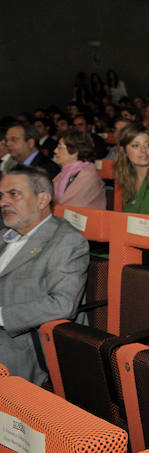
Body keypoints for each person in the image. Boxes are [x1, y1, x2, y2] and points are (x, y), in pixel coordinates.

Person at [0, 165, 89, 385]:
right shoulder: (5, 235)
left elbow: (63, 304)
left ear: (42, 200)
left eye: (14, 194)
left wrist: (1, 316)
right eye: (1, 195)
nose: (3, 202)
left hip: (25, 343)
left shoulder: (67, 241)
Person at [51, 129, 106, 209]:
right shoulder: (65, 173)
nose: (55, 151)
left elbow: (72, 208)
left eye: (60, 147)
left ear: (75, 151)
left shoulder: (88, 176)